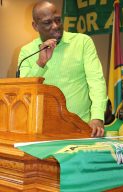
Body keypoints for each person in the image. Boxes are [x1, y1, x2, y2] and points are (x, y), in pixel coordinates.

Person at [18, 0, 107, 137]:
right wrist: (40, 63)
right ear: (35, 26)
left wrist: (97, 117)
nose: (55, 26)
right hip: (43, 130)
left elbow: (96, 81)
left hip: (82, 128)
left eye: (58, 20)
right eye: (48, 23)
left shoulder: (83, 42)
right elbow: (24, 93)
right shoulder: (27, 51)